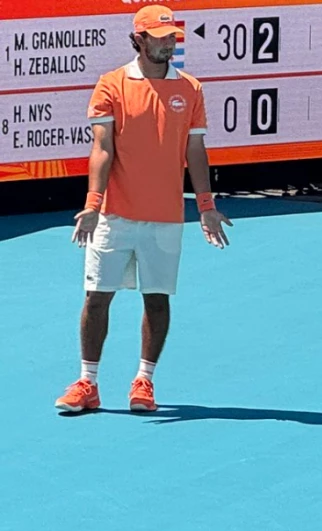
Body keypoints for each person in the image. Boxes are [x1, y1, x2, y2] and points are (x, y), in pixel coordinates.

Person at [55, 5, 233, 414]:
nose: (168, 42)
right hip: (114, 214)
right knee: (96, 298)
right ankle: (87, 382)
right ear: (139, 39)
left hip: (166, 216)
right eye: (159, 36)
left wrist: (205, 204)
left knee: (157, 300)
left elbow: (195, 150)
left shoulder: (190, 89)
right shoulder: (111, 85)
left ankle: (144, 381)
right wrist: (93, 204)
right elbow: (102, 149)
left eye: (172, 36)